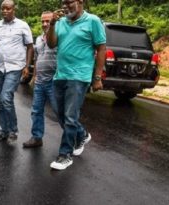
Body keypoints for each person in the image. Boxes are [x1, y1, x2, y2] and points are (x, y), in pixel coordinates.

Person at [46, 0, 106, 170]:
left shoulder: (93, 21)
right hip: (60, 74)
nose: (65, 6)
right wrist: (52, 23)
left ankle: (65, 155)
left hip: (80, 75)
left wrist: (97, 77)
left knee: (70, 115)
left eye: (69, 2)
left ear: (80, 2)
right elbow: (51, 44)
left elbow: (101, 48)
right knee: (59, 113)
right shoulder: (61, 21)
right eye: (63, 3)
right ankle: (82, 134)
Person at [0, 0, 34, 142]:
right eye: (2, 8)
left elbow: (30, 47)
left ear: (13, 9)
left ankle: (13, 130)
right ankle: (3, 130)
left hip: (15, 67)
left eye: (8, 8)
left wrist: (27, 66)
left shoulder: (23, 25)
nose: (4, 11)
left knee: (6, 98)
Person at [22, 11, 58, 148]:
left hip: (54, 81)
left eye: (47, 21)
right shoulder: (38, 39)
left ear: (53, 22)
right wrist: (34, 77)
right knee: (36, 111)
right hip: (40, 81)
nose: (44, 24)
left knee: (59, 111)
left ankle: (77, 136)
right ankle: (37, 137)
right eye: (42, 21)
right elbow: (37, 59)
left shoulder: (59, 37)